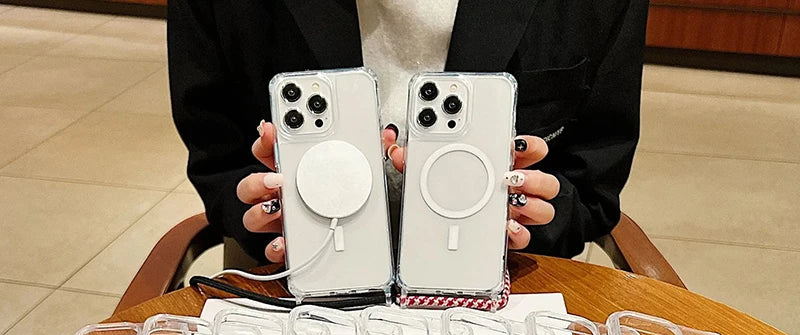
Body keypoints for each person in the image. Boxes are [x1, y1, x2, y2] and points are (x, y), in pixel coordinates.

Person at [168, 0, 649, 269]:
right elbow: (217, 153)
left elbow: (593, 181)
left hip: (513, 285)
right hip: (285, 279)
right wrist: (259, 208)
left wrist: (542, 208)